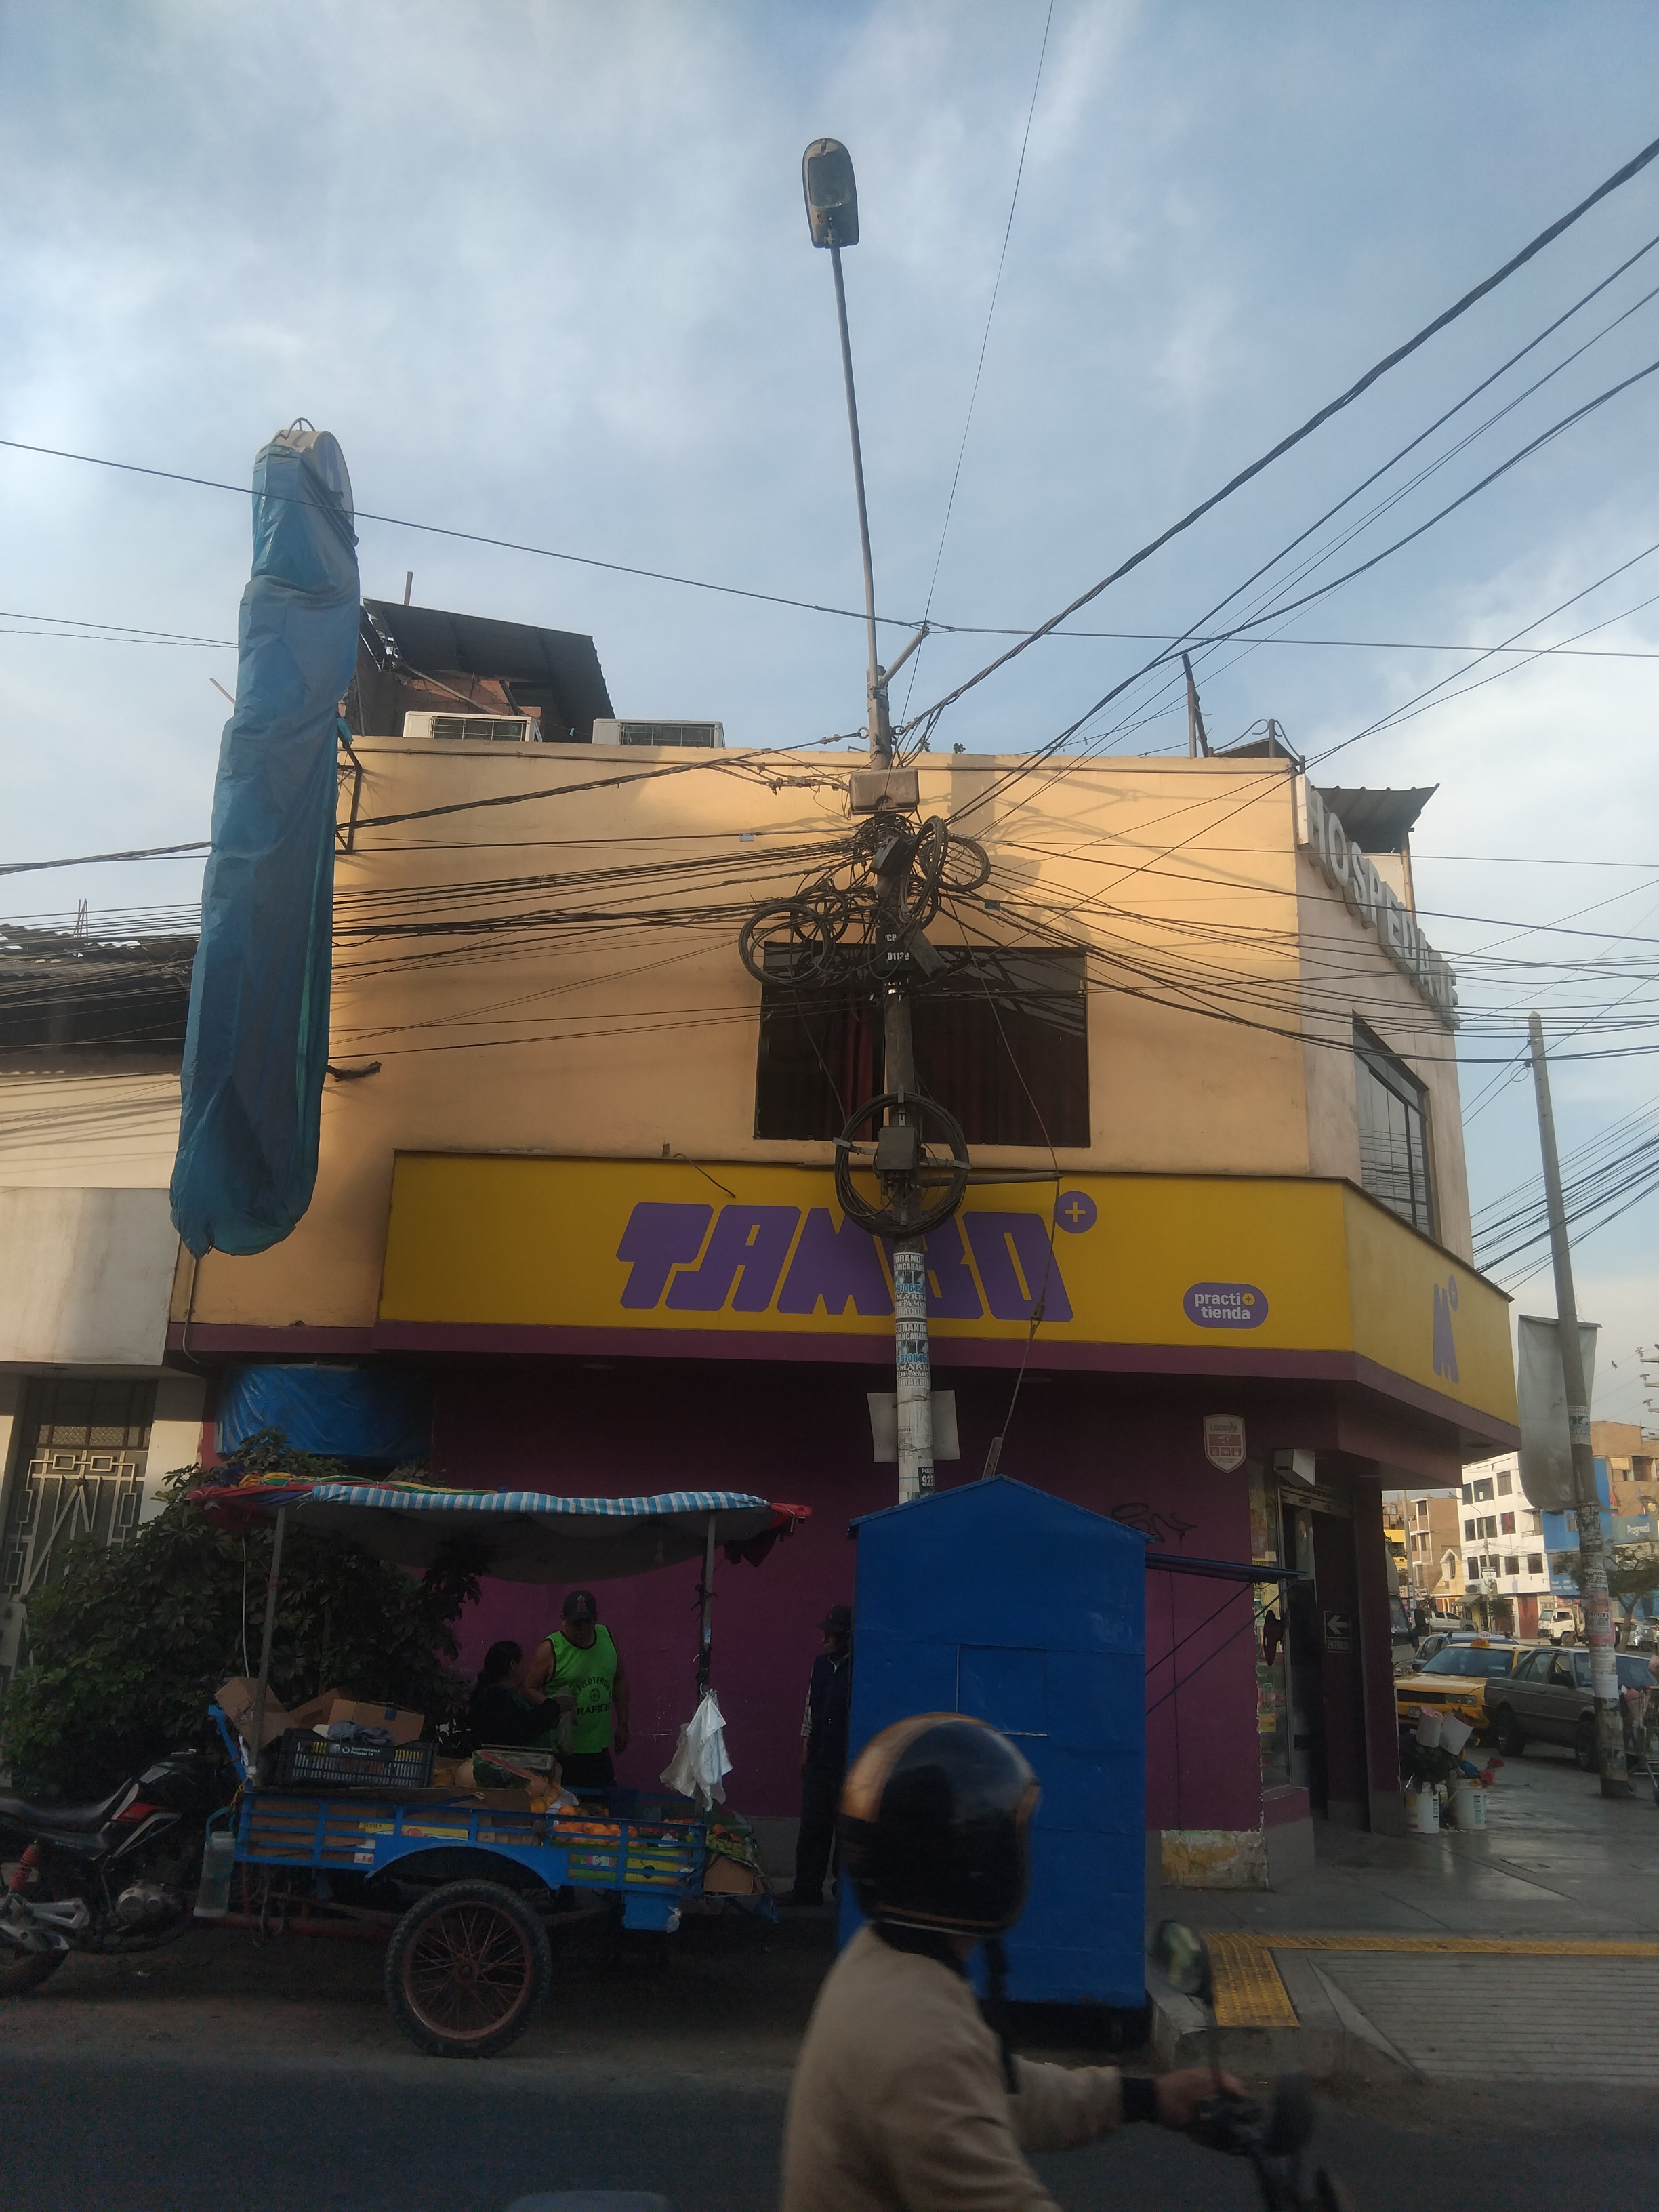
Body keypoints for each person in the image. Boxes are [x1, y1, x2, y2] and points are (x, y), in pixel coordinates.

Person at [779, 1713, 1235, 2212]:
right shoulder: (922, 2041)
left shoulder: (882, 1962)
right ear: (980, 1864)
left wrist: (1148, 2099)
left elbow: (993, 2090)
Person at [525, 1587, 629, 1790]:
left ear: (596, 1619)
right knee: (565, 1805)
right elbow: (528, 1689)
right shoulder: (550, 1649)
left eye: (587, 1623)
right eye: (575, 1624)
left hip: (599, 1747)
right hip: (563, 1749)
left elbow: (620, 1680)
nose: (581, 1629)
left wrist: (623, 1725)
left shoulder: (608, 1638)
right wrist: (555, 1705)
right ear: (563, 1620)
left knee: (602, 1804)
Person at [785, 1602, 853, 1909]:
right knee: (813, 1825)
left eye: (832, 1635)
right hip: (818, 1756)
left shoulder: (858, 1669)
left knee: (845, 1828)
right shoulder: (820, 1665)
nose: (825, 1639)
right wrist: (805, 1748)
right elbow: (809, 1708)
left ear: (847, 1637)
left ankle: (843, 1892)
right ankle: (807, 1889)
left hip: (845, 1760)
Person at [464, 1640, 549, 1748]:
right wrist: (552, 1707)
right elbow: (522, 1729)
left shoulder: (488, 1694)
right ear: (513, 1665)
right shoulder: (496, 1699)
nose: (527, 1669)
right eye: (523, 1663)